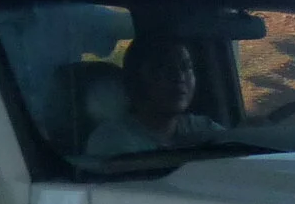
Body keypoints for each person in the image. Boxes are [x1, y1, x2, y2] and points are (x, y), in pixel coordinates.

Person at [84, 34, 227, 158]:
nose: (179, 76)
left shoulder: (202, 128)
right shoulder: (112, 140)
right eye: (164, 68)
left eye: (186, 67)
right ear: (136, 78)